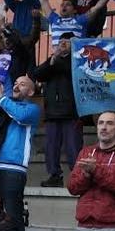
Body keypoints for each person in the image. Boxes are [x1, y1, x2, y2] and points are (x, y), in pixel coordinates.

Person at [0, 76, 39, 229]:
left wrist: (1, 98)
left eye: (23, 84)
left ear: (31, 92)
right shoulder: (3, 106)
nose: (17, 86)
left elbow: (21, 116)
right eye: (15, 83)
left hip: (14, 170)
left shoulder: (32, 109)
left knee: (13, 217)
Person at [67, 111, 115, 231]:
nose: (104, 127)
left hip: (112, 226)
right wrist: (86, 175)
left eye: (110, 123)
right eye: (101, 123)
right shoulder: (85, 152)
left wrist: (95, 170)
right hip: (83, 225)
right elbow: (72, 188)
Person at [31, 32, 81, 187]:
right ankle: (54, 175)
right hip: (52, 111)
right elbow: (38, 74)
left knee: (73, 147)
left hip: (71, 111)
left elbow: (70, 71)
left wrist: (60, 58)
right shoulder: (53, 60)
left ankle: (78, 177)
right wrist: (53, 58)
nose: (63, 44)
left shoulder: (77, 61)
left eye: (67, 41)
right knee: (51, 147)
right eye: (61, 41)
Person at [35, 0, 110, 44]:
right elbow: (43, 1)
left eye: (68, 4)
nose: (64, 6)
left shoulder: (80, 20)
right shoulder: (54, 19)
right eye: (62, 4)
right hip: (59, 58)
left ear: (74, 10)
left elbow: (97, 7)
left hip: (75, 57)